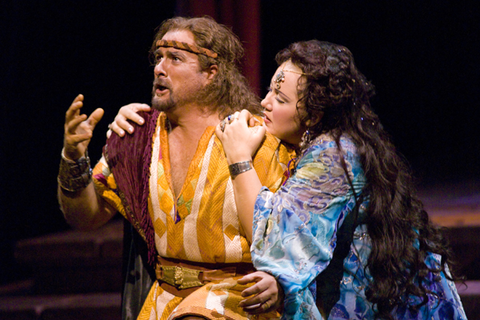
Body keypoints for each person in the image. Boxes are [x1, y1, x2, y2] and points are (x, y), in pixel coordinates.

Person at [57, 16, 293, 320]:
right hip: (161, 302)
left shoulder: (254, 136)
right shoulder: (136, 138)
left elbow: (292, 236)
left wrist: (282, 280)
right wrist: (73, 157)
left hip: (237, 299)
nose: (159, 68)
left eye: (175, 58)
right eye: (158, 57)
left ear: (211, 73)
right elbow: (85, 216)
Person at [213, 40, 468, 319]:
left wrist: (238, 156)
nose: (265, 103)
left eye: (281, 99)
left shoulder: (333, 156)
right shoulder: (331, 142)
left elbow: (275, 239)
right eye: (270, 91)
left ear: (314, 115)